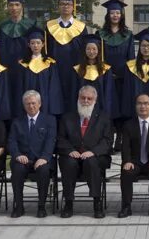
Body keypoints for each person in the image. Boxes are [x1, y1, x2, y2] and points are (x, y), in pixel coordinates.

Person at [56, 83, 113, 218]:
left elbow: (108, 141)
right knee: (69, 163)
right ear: (78, 98)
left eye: (89, 98)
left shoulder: (104, 117)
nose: (86, 101)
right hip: (72, 156)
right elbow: (60, 139)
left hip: (96, 156)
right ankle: (68, 203)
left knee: (91, 162)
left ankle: (96, 203)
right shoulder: (67, 117)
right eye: (83, 98)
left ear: (95, 100)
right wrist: (70, 150)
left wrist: (93, 151)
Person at [8, 88, 55, 219]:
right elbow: (11, 141)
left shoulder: (49, 120)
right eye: (28, 103)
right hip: (23, 160)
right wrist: (17, 155)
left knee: (44, 171)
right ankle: (19, 206)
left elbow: (51, 141)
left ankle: (41, 206)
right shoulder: (17, 122)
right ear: (24, 106)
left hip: (42, 159)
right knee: (16, 170)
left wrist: (45, 158)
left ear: (40, 104)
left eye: (34, 103)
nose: (31, 106)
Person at [118, 91, 149, 219]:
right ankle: (126, 206)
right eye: (139, 103)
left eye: (146, 103)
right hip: (134, 161)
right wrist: (127, 161)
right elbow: (125, 146)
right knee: (126, 172)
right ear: (135, 106)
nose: (143, 106)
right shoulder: (128, 125)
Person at [13, 27, 62, 116]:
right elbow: (20, 88)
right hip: (28, 104)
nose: (35, 45)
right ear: (29, 45)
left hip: (46, 103)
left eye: (38, 43)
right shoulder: (23, 64)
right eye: (32, 43)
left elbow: (54, 88)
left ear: (43, 44)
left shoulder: (50, 63)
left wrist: (53, 107)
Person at [67, 31, 114, 114]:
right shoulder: (77, 69)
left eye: (94, 49)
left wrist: (107, 113)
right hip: (81, 109)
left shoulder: (106, 70)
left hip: (100, 110)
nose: (91, 52)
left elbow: (108, 94)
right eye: (88, 49)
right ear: (84, 50)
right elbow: (73, 93)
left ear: (99, 50)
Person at [45, 0, 88, 68]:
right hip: (54, 68)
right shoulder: (50, 26)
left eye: (68, 4)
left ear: (73, 6)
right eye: (62, 4)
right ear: (58, 6)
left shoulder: (81, 27)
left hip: (75, 68)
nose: (65, 6)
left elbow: (84, 49)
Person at [0, 0, 32, 65]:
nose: (14, 8)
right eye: (11, 5)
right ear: (7, 7)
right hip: (6, 67)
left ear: (22, 6)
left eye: (17, 5)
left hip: (26, 66)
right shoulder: (2, 26)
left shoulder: (31, 25)